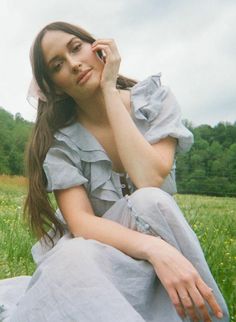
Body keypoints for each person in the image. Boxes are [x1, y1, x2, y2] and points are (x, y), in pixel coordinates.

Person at [0, 21, 229, 322]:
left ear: (97, 46)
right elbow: (81, 222)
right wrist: (154, 249)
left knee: (150, 200)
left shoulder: (153, 101)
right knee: (72, 255)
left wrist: (109, 88)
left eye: (76, 48)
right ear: (55, 86)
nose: (74, 64)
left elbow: (149, 179)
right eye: (58, 65)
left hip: (156, 228)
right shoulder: (60, 141)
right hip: (98, 249)